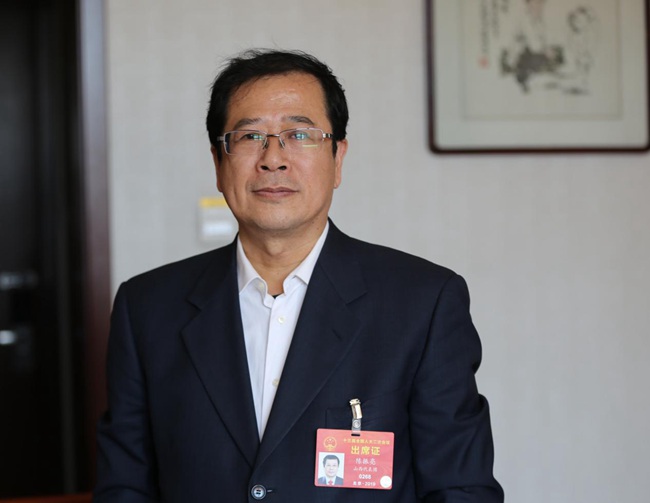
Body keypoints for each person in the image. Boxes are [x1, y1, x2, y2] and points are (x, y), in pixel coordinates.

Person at [94, 48, 504, 502]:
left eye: (299, 134)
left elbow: (460, 489)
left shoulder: (422, 303)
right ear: (218, 162)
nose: (273, 159)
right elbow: (124, 487)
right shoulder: (147, 307)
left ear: (338, 158)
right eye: (250, 136)